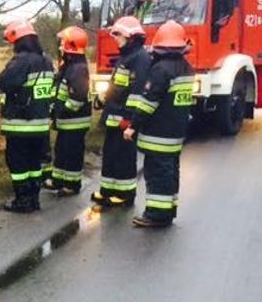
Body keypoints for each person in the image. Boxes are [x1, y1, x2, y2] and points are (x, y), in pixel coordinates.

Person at [125, 20, 194, 228]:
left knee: (156, 175)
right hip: (176, 132)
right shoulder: (187, 68)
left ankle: (156, 215)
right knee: (171, 172)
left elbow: (148, 104)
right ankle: (169, 209)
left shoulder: (160, 71)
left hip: (158, 134)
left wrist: (132, 126)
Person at [0, 21, 54, 213]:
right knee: (34, 163)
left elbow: (3, 82)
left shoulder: (21, 61)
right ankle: (34, 199)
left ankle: (22, 200)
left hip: (21, 123)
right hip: (41, 123)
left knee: (17, 162)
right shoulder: (46, 60)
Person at [92, 15, 151, 209]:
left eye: (118, 35)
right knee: (110, 154)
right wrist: (103, 98)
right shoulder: (126, 57)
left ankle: (125, 194)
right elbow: (118, 85)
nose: (115, 38)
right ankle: (108, 190)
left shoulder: (140, 58)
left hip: (124, 117)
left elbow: (137, 91)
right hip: (113, 115)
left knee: (124, 156)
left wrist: (129, 119)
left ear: (130, 36)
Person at [49, 26, 91, 196]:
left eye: (63, 44)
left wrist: (64, 111)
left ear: (70, 46)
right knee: (61, 151)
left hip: (74, 121)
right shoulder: (69, 66)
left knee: (72, 153)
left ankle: (72, 184)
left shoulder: (77, 68)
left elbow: (78, 97)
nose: (60, 47)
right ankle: (58, 180)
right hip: (66, 121)